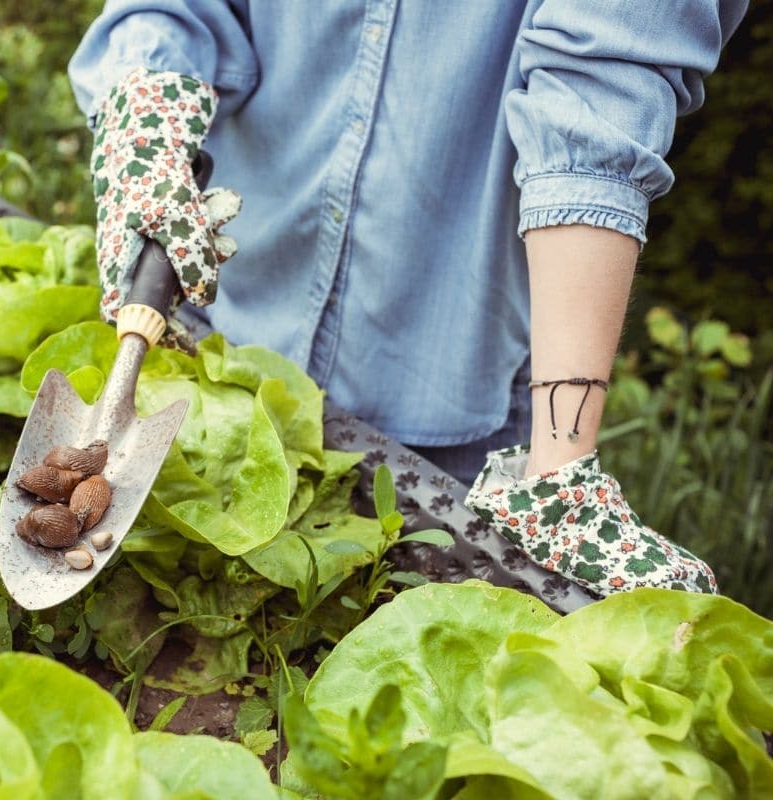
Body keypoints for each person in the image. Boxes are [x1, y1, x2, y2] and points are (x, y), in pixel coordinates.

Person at [68, 0, 747, 597]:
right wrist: (147, 114)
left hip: (446, 396)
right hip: (224, 337)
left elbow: (599, 93)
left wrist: (560, 469)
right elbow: (177, 11)